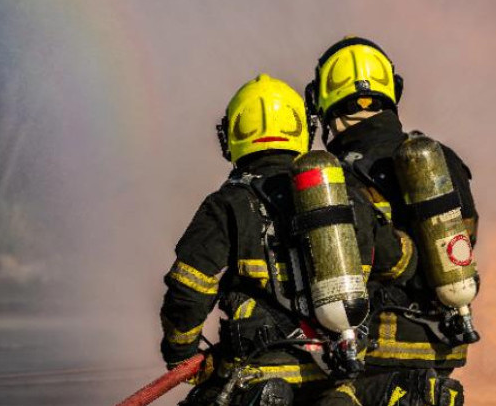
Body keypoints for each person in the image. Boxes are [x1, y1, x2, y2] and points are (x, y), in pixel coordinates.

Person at [159, 74, 375, 406]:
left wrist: (180, 356)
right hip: (333, 373)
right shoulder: (345, 195)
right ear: (305, 129)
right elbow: (391, 266)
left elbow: (188, 292)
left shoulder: (229, 204)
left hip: (257, 375)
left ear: (230, 136)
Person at [305, 37, 480, 406]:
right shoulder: (439, 158)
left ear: (322, 102)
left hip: (374, 349)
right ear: (393, 90)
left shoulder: (335, 176)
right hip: (442, 345)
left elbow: (355, 255)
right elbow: (465, 237)